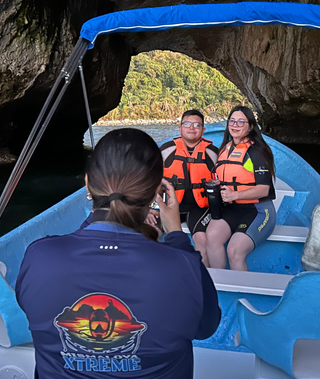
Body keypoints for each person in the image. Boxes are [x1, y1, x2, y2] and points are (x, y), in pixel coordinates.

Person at [15, 128, 221, 378]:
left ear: (88, 183)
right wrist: (176, 234)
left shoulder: (39, 257)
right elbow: (206, 327)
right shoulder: (182, 266)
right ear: (157, 191)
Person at [205, 106, 276, 271]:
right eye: (232, 121)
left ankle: (242, 293)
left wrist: (235, 194)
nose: (235, 125)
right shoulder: (225, 149)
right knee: (212, 236)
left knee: (234, 251)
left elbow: (264, 189)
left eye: (241, 122)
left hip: (258, 211)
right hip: (233, 209)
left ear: (250, 126)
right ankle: (220, 286)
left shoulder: (256, 152)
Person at [150, 110, 218, 266]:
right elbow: (154, 182)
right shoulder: (166, 150)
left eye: (197, 125)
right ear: (180, 128)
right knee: (151, 232)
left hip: (200, 206)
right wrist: (153, 207)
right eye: (187, 124)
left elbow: (220, 181)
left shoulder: (212, 152)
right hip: (171, 204)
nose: (192, 128)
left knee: (201, 238)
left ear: (203, 130)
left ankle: (202, 277)